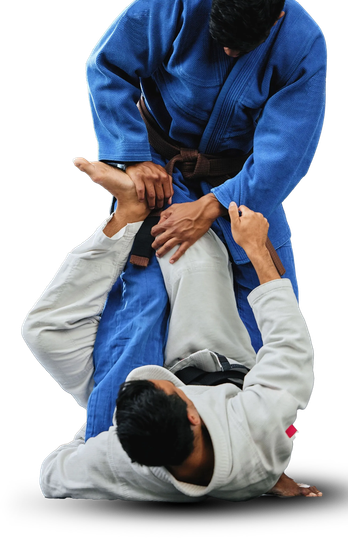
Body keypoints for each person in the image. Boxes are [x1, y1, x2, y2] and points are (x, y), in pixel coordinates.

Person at [21, 158, 321, 500]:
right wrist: (255, 248)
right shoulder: (256, 427)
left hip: (144, 416)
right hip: (215, 360)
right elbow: (290, 345)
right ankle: (162, 182)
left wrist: (96, 426)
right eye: (166, 388)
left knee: (41, 331)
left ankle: (125, 215)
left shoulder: (123, 461)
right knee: (192, 254)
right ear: (193, 415)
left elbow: (51, 476)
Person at [84, 0, 328, 361]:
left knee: (272, 297)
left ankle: (252, 416)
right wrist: (133, 156)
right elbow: (108, 67)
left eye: (240, 46)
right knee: (143, 298)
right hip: (162, 166)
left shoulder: (302, 44)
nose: (229, 51)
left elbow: (285, 151)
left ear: (276, 19)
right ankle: (116, 420)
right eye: (222, 41)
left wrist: (212, 204)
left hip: (243, 181)